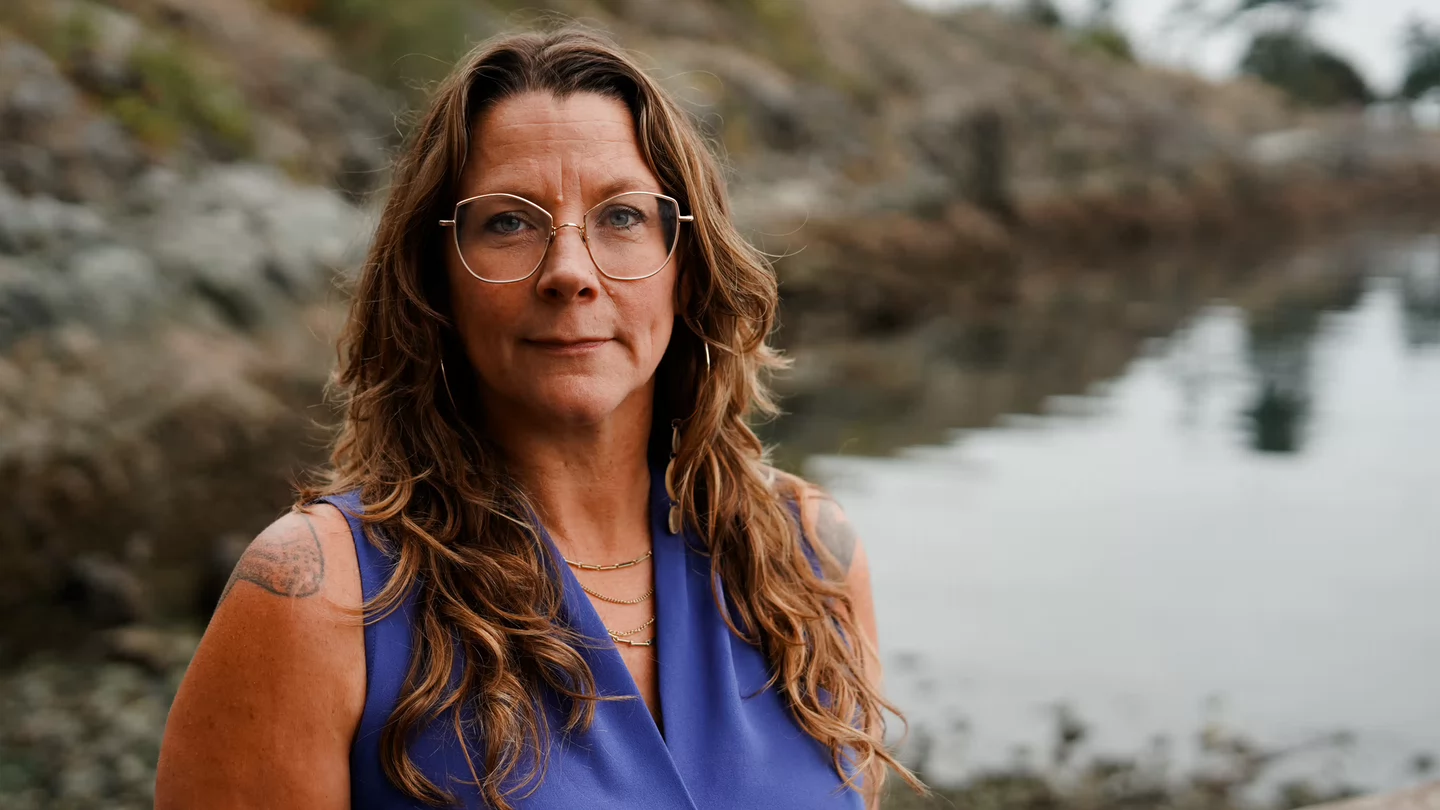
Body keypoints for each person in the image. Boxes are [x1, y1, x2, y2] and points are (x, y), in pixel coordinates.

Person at [156, 25, 921, 810]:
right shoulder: (318, 598)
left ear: (685, 268)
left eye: (622, 217)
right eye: (508, 222)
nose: (569, 272)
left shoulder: (807, 558)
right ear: (436, 277)